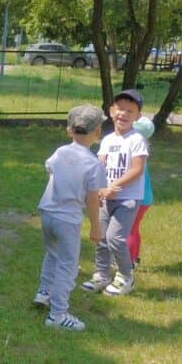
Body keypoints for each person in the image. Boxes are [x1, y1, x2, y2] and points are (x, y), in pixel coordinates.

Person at [33, 105, 107, 331]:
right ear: (98, 132)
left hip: (47, 213)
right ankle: (57, 315)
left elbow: (50, 169)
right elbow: (92, 199)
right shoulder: (94, 164)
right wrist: (96, 227)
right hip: (68, 220)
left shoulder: (60, 152)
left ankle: (44, 292)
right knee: (68, 266)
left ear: (69, 130)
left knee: (52, 253)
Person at [82, 89, 149, 297]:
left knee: (115, 238)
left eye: (130, 111)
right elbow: (99, 165)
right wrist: (99, 188)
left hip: (127, 199)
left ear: (138, 116)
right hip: (105, 198)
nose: (124, 114)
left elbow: (137, 170)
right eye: (120, 109)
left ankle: (126, 277)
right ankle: (102, 275)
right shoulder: (107, 140)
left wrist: (114, 186)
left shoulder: (136, 139)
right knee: (101, 238)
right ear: (111, 111)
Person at [124, 116, 155, 275]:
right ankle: (135, 257)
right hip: (146, 198)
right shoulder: (143, 152)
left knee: (127, 230)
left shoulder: (134, 153)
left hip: (137, 197)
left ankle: (127, 263)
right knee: (134, 228)